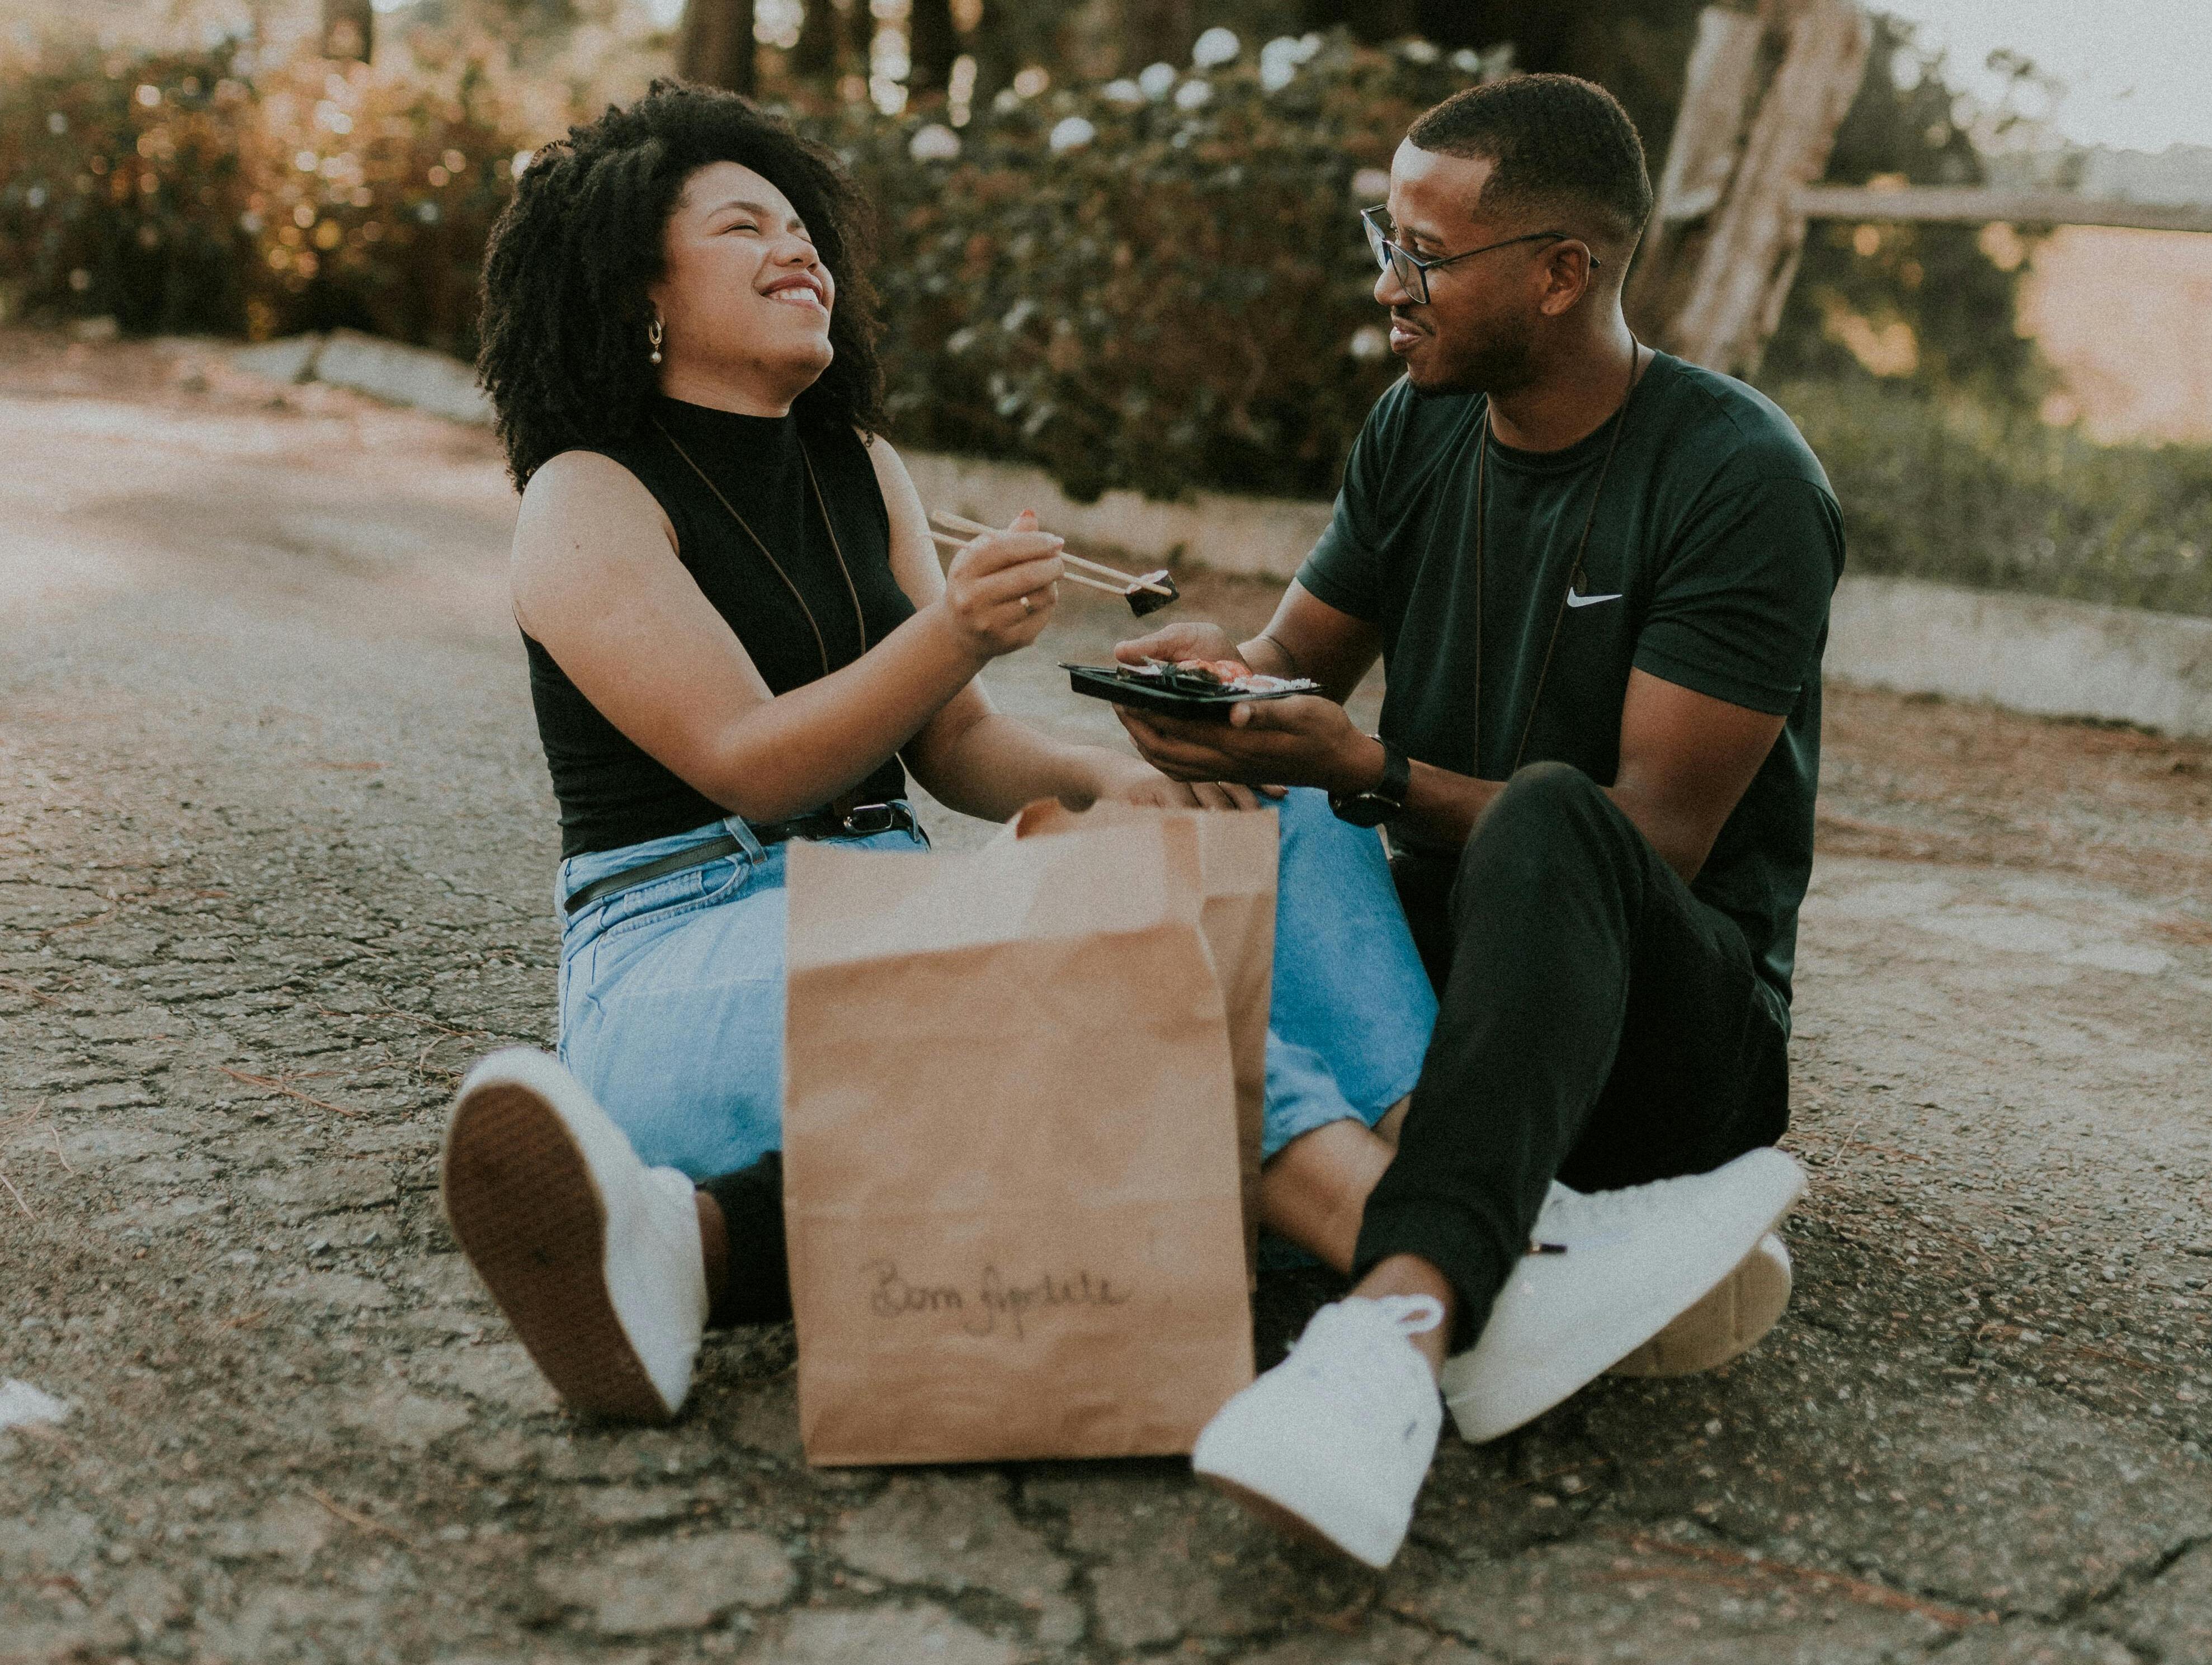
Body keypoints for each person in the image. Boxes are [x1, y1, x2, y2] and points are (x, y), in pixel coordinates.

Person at [438, 82, 1438, 1426]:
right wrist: (954, 629)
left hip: (890, 905)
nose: (796, 248)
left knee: (1276, 811)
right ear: (639, 296)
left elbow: (956, 743)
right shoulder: (586, 495)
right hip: (686, 954)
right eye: (743, 228)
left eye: (801, 226)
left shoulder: (860, 465)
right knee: (1089, 947)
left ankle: (1453, 1167)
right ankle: (1440, 1258)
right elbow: (750, 762)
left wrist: (1145, 783)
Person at [1110, 74, 1844, 1568]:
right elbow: (1295, 671)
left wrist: (1372, 772)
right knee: (1171, 832)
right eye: (1385, 239)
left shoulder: (1738, 477)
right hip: (1446, 997)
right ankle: (1534, 1241)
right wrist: (1214, 689)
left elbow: (1652, 841)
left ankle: (1394, 1330)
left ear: (1561, 272)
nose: (1389, 284)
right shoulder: (1416, 427)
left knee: (1552, 818)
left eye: (1425, 254)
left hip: (1666, 1036)